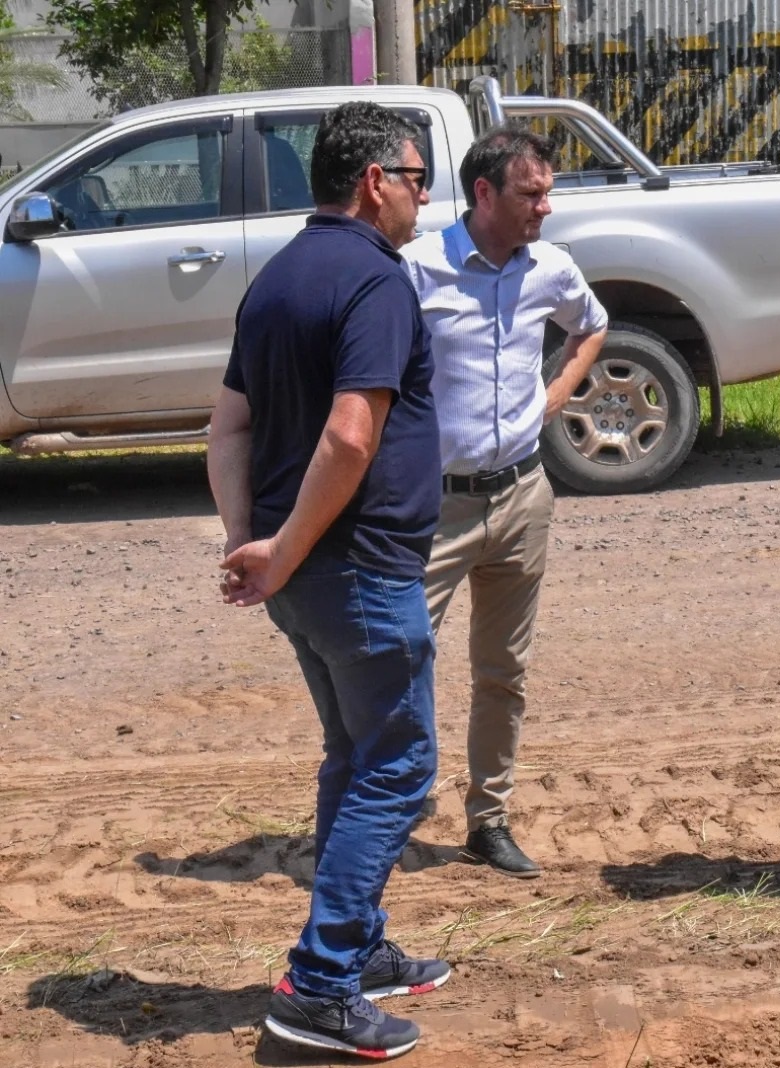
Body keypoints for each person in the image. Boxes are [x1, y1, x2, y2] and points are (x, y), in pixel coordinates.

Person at [206, 101, 451, 1060]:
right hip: (356, 570)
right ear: (374, 182)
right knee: (398, 767)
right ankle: (322, 982)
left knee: (354, 756)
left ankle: (360, 948)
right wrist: (289, 548)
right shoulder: (374, 280)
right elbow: (353, 435)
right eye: (418, 178)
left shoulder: (274, 280)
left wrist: (254, 542)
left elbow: (227, 427)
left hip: (303, 574)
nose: (423, 196)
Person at [401, 125, 609, 878]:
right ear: (483, 192)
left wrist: (553, 397)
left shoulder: (550, 268)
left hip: (522, 496)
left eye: (548, 192)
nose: (545, 208)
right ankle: (388, 810)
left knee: (503, 672)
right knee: (399, 662)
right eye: (532, 193)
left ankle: (488, 820)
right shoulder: (417, 269)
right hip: (432, 510)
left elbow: (592, 326)